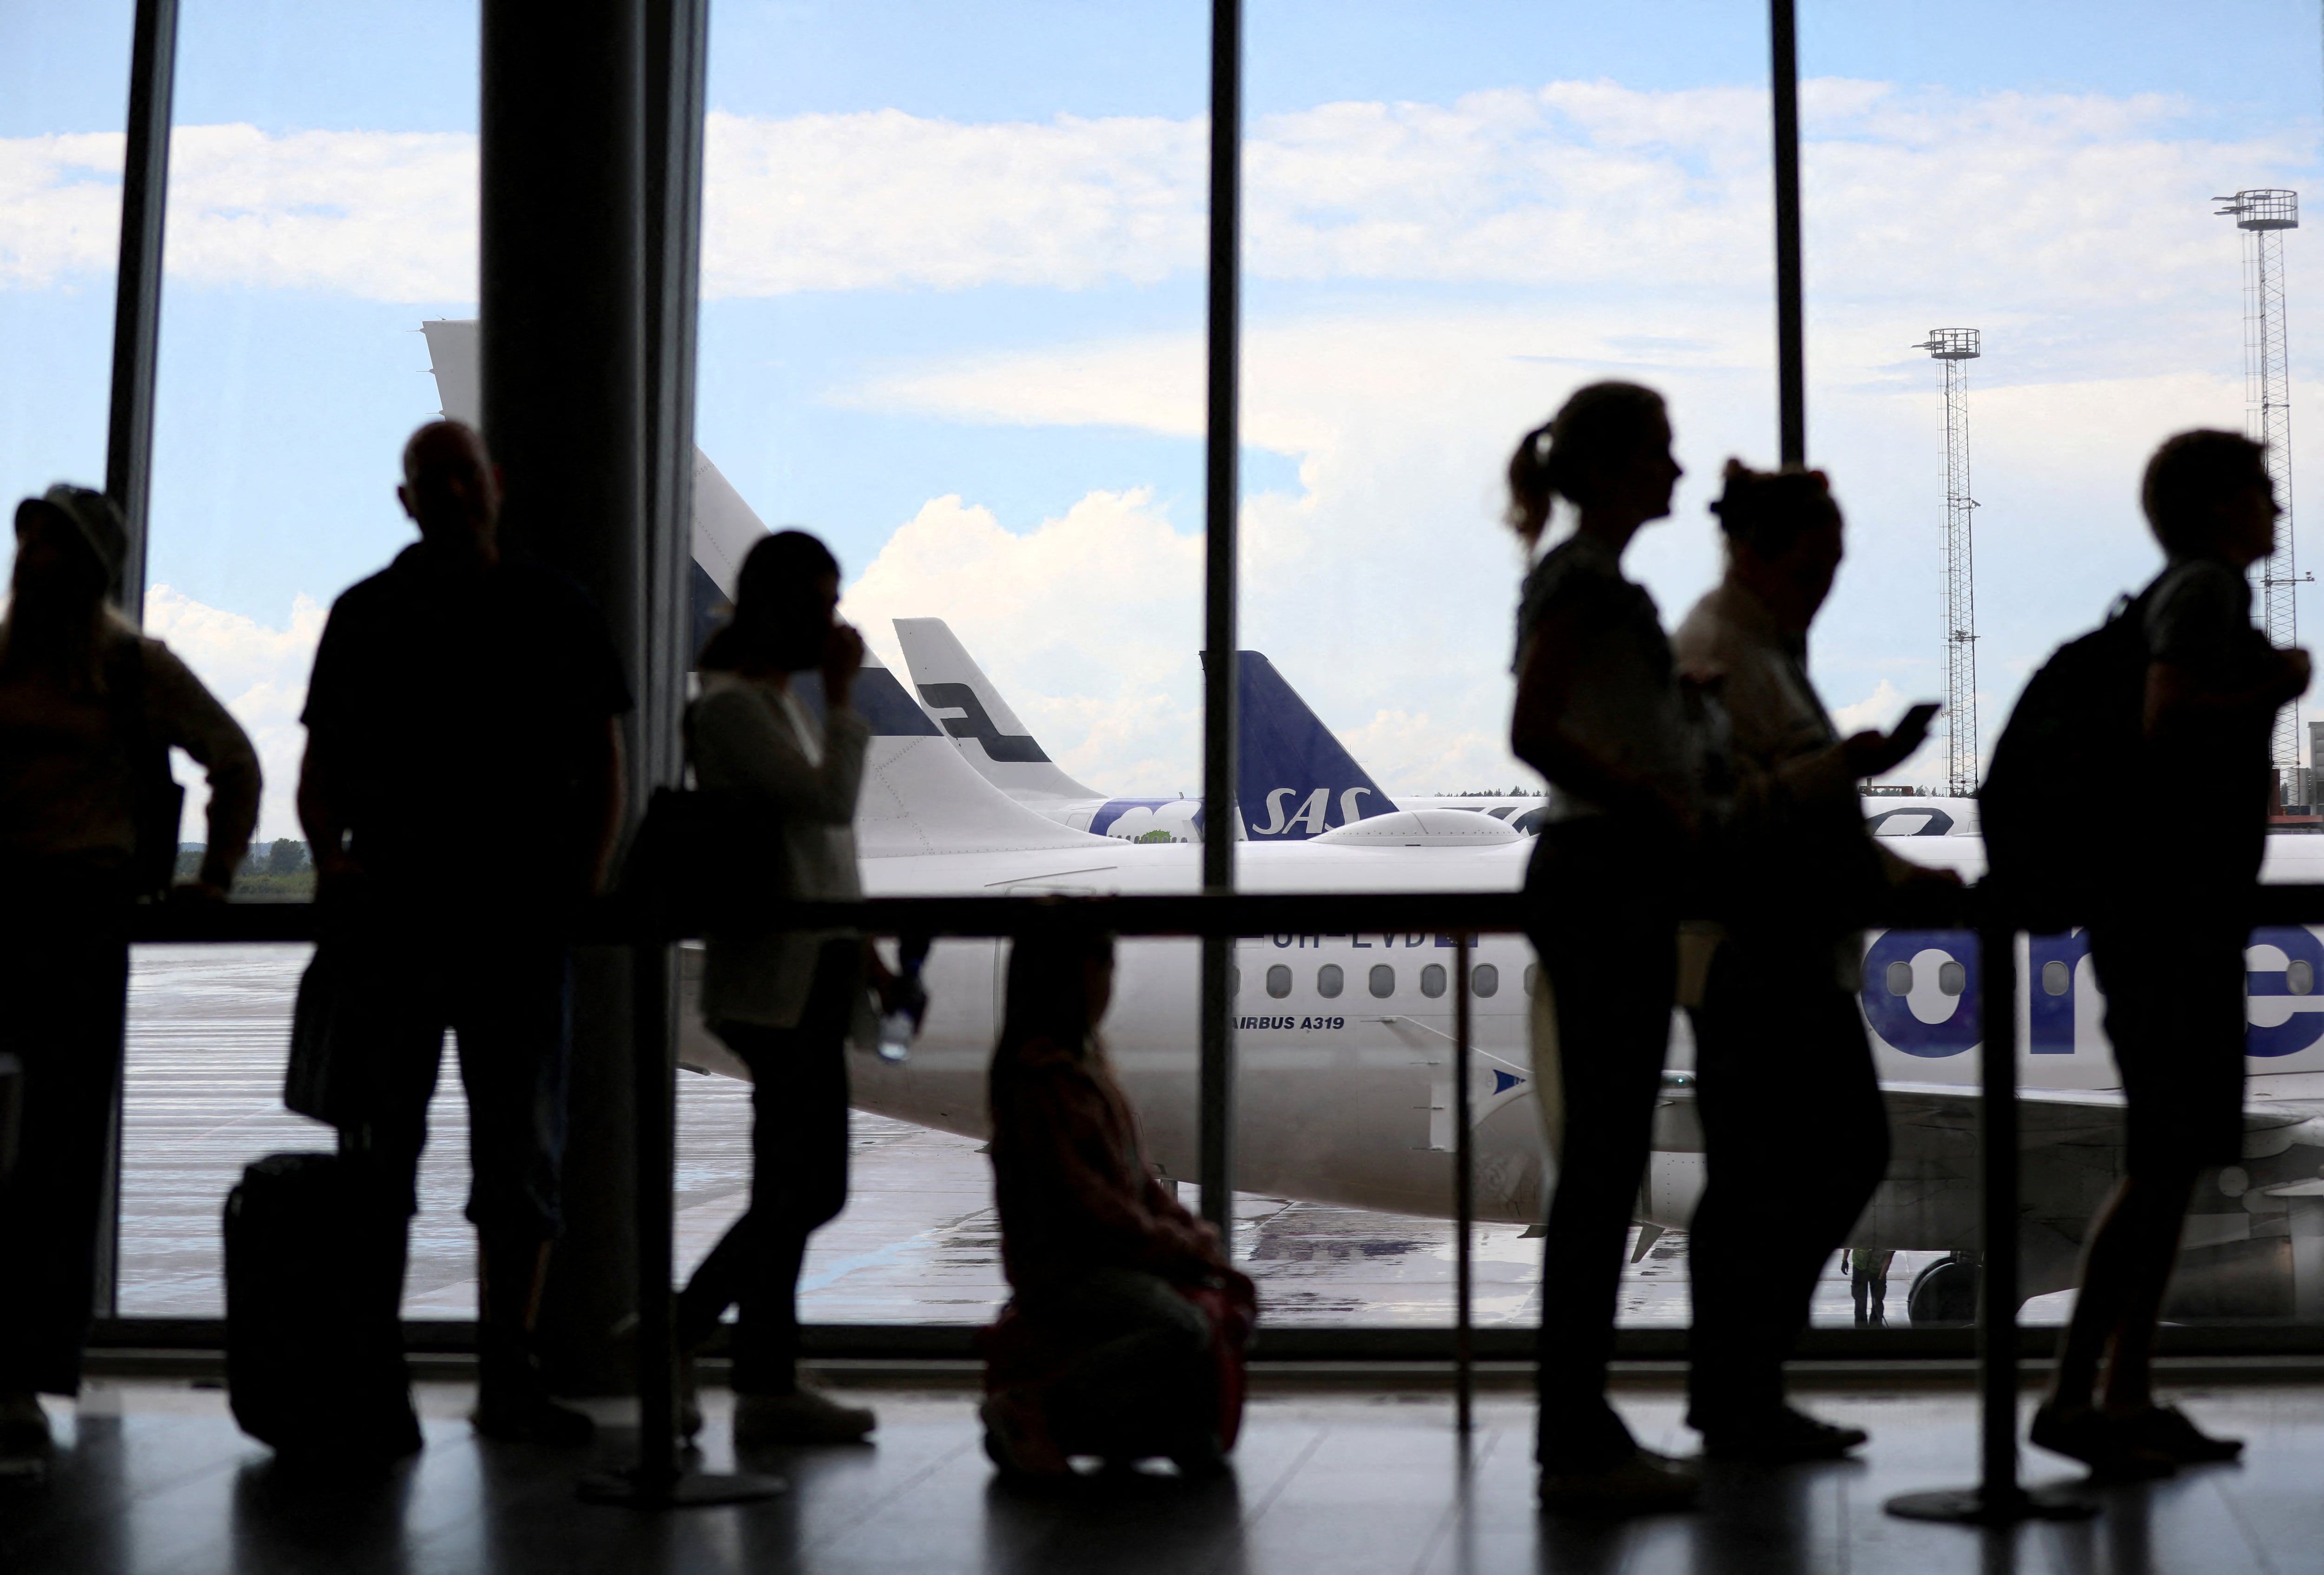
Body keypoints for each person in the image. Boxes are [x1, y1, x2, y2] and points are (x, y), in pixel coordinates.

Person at [296, 421, 630, 1445]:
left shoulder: (367, 615)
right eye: (432, 476)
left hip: (407, 920)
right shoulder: (556, 612)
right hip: (512, 924)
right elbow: (605, 764)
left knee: (393, 1154)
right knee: (512, 1156)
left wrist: (336, 859)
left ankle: (380, 1374)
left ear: (485, 484)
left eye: (455, 472)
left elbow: (320, 777)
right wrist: (582, 879)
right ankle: (505, 1375)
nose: (445, 489)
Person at [2030, 430, 2307, 1476]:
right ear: (2215, 508)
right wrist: (2278, 686)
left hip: (2158, 925)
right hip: (2168, 931)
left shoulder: (2178, 593)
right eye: (2262, 491)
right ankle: (2086, 1391)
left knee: (2163, 1171)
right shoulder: (2204, 594)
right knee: (2156, 1173)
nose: (2278, 508)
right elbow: (2169, 714)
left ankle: (2119, 1390)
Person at [1670, 460, 1948, 1461]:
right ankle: (1737, 1390)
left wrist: (1903, 878)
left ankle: (1741, 1389)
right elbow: (1723, 814)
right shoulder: (1720, 651)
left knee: (1782, 1174)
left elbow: (1802, 811)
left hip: (1791, 954)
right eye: (1818, 557)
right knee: (1802, 1168)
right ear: (1761, 551)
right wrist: (1852, 766)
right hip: (1757, 959)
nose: (1830, 579)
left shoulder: (1765, 649)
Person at [0, 486, 260, 1457]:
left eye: (50, 547)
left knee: (58, 1157)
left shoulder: (129, 667)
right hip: (46, 915)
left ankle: (21, 1368)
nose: (31, 561)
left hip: (74, 914)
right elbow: (232, 762)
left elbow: (235, 758)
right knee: (47, 1151)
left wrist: (220, 873)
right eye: (28, 543)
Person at [1505, 382, 1702, 1511]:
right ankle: (1574, 1435)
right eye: (1662, 453)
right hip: (1605, 880)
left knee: (1602, 1171)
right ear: (1620, 468)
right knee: (1599, 1176)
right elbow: (1533, 731)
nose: (1678, 472)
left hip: (1603, 881)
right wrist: (1651, 803)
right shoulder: (1584, 582)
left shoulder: (1582, 579)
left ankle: (1576, 1425)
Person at [672, 529, 890, 1447]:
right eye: (822, 602)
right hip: (773, 983)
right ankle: (677, 1339)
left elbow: (812, 847)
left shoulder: (767, 705)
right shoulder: (725, 713)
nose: (835, 623)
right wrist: (844, 698)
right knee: (801, 1188)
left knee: (798, 1185)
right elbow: (827, 805)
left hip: (812, 971)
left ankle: (758, 1372)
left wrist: (859, 938)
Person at [978, 928, 1255, 1478]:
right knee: (1182, 1327)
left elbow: (1135, 1182)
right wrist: (1176, 1244)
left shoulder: (1083, 1071)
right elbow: (1090, 1205)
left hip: (1101, 1254)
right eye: (1100, 970)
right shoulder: (1045, 1082)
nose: (1109, 986)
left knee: (1221, 1296)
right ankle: (1034, 1404)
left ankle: (1137, 1422)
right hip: (1068, 1268)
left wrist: (1187, 1232)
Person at [1848, 1250, 1893, 1329]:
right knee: (1860, 1301)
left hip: (1877, 1270)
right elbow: (1849, 1243)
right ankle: (1861, 1327)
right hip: (1860, 1267)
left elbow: (1889, 1256)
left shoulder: (1887, 1238)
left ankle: (1875, 1325)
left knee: (1877, 1300)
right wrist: (1844, 1260)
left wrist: (1880, 1279)